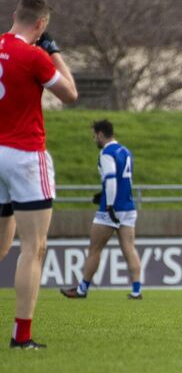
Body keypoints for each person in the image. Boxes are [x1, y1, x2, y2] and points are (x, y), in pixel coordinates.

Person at [0, 0, 79, 350]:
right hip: (25, 155)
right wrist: (54, 53)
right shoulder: (34, 56)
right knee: (34, 247)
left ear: (15, 15)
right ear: (41, 24)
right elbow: (70, 94)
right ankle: (22, 336)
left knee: (1, 245)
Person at [60, 120, 143, 300]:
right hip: (128, 206)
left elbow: (112, 178)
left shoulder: (107, 152)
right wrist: (102, 192)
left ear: (101, 134)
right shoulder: (125, 151)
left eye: (94, 135)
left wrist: (109, 204)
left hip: (110, 209)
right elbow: (124, 180)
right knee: (129, 248)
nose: (94, 139)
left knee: (94, 249)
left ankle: (82, 289)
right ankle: (137, 290)